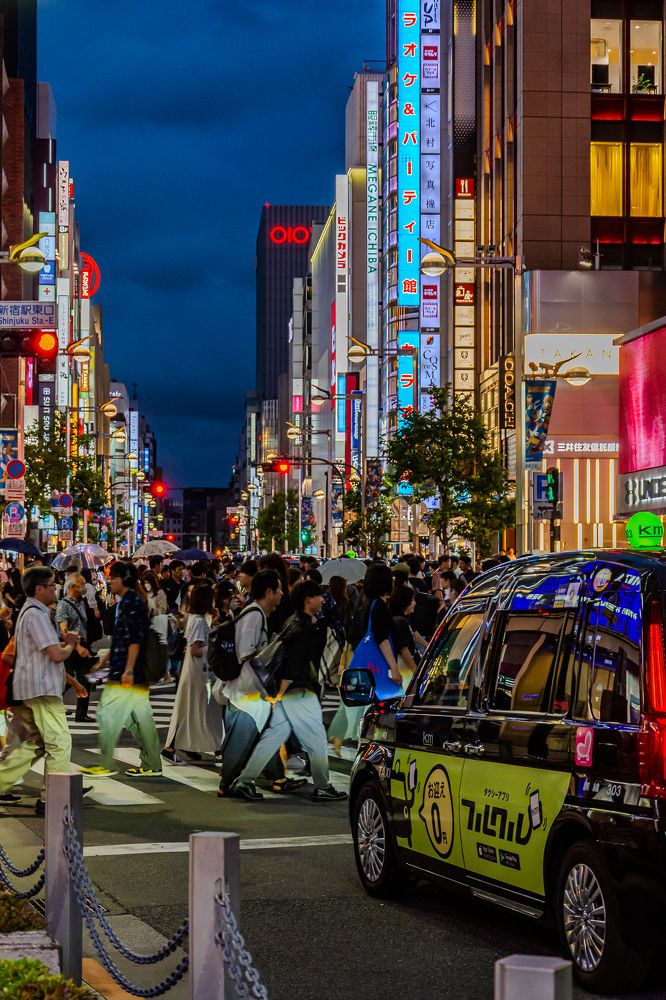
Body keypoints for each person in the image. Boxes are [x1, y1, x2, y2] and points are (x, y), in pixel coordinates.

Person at [229, 580, 347, 803]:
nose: (322, 600)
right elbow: (294, 665)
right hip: (298, 690)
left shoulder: (293, 621)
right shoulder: (303, 628)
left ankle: (244, 781)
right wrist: (281, 694)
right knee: (317, 738)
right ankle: (323, 787)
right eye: (319, 596)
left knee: (273, 736)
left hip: (290, 689)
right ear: (308, 600)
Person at [0, 567, 87, 815]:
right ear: (39, 589)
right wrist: (70, 645)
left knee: (33, 744)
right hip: (41, 690)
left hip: (30, 688)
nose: (55, 589)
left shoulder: (31, 613)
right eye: (51, 585)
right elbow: (55, 655)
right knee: (59, 742)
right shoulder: (37, 616)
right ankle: (52, 799)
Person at [80, 562, 162, 779]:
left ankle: (107, 763)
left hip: (127, 672)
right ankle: (152, 762)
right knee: (140, 718)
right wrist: (103, 662)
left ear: (124, 579)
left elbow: (134, 639)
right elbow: (120, 639)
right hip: (129, 670)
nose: (110, 581)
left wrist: (128, 669)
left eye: (113, 578)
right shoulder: (129, 601)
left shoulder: (131, 602)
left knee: (107, 714)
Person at [217, 569, 295, 796]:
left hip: (251, 689)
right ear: (269, 591)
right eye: (279, 590)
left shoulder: (257, 613)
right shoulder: (255, 614)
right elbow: (245, 652)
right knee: (241, 741)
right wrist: (270, 652)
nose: (281, 594)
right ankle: (228, 784)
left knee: (265, 734)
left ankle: (277, 777)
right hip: (246, 690)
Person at [162, 585, 223, 764]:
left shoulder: (196, 618)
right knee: (202, 709)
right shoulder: (199, 621)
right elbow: (195, 649)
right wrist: (213, 647)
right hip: (198, 673)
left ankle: (175, 747)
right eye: (211, 598)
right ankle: (218, 750)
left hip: (195, 671)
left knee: (195, 709)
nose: (213, 601)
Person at [55, 573, 96, 723]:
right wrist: (77, 647)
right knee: (67, 679)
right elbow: (63, 630)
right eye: (82, 584)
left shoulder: (81, 603)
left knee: (85, 678)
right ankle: (49, 703)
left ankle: (81, 714)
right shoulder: (63, 605)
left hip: (81, 644)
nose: (85, 587)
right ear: (73, 586)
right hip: (69, 646)